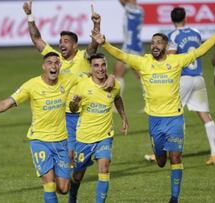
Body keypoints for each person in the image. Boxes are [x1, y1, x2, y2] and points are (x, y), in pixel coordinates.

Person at [92, 15, 215, 203]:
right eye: (153, 43)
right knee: (161, 161)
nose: (155, 45)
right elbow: (121, 55)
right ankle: (159, 155)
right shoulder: (144, 62)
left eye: (159, 43)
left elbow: (200, 51)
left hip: (175, 119)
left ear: (166, 47)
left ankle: (174, 198)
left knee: (175, 157)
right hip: (155, 120)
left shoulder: (176, 61)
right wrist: (105, 43)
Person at [0, 52, 78, 203]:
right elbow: (7, 103)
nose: (53, 66)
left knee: (63, 189)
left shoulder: (68, 80)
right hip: (40, 141)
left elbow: (91, 78)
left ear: (60, 66)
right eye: (49, 63)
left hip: (61, 141)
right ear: (43, 66)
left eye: (56, 63)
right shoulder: (31, 85)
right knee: (49, 183)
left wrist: (110, 78)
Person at [23, 1, 114, 154]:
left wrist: (97, 24)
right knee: (71, 153)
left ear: (75, 46)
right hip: (66, 116)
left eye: (66, 41)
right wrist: (29, 16)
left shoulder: (84, 57)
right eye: (60, 42)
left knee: (84, 155)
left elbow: (94, 43)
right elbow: (36, 39)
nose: (61, 44)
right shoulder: (55, 59)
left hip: (87, 113)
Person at [146, 7, 215, 165]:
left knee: (174, 115)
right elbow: (200, 51)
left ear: (172, 20)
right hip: (198, 78)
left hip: (183, 79)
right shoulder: (196, 32)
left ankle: (165, 151)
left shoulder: (173, 35)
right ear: (185, 18)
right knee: (205, 116)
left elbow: (170, 59)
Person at [68, 53, 128, 203]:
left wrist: (123, 117)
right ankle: (72, 197)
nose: (100, 69)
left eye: (103, 65)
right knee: (78, 175)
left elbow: (117, 98)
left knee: (104, 167)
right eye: (96, 65)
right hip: (84, 138)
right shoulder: (82, 86)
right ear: (91, 68)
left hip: (104, 136)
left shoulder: (114, 85)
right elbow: (73, 109)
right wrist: (74, 104)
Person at [113, 0, 144, 97]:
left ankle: (115, 103)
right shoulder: (139, 10)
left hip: (130, 48)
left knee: (118, 74)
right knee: (143, 76)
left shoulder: (131, 9)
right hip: (135, 47)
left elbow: (122, 2)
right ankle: (153, 100)